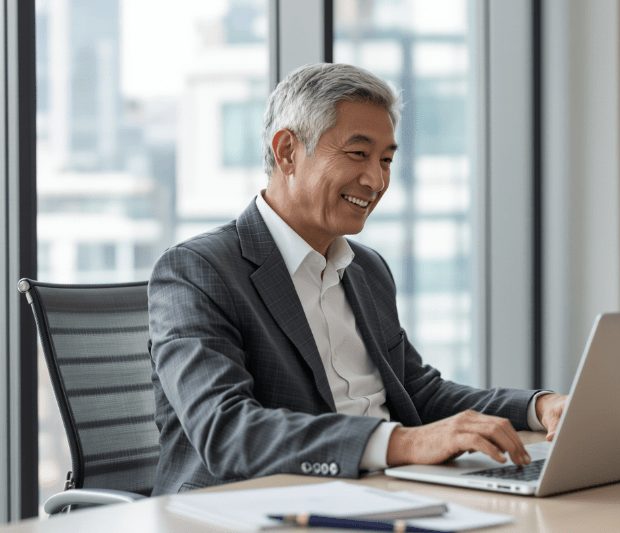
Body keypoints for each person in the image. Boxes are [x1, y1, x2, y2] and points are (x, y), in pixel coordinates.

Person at [148, 63, 567, 496]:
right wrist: (403, 443)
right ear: (287, 151)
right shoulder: (196, 271)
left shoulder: (367, 269)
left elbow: (419, 392)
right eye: (358, 154)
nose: (377, 180)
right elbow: (227, 430)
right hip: (256, 505)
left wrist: (540, 407)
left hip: (384, 492)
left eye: (386, 159)